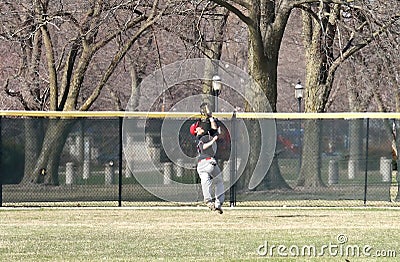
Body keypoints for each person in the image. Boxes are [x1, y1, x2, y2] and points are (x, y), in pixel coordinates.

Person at [190, 115, 224, 214]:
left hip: (201, 166)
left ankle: (209, 201)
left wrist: (211, 118)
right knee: (219, 182)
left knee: (205, 182)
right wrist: (213, 140)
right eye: (198, 127)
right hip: (208, 162)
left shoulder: (205, 135)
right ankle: (218, 204)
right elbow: (203, 147)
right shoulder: (198, 137)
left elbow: (214, 129)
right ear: (195, 131)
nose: (200, 126)